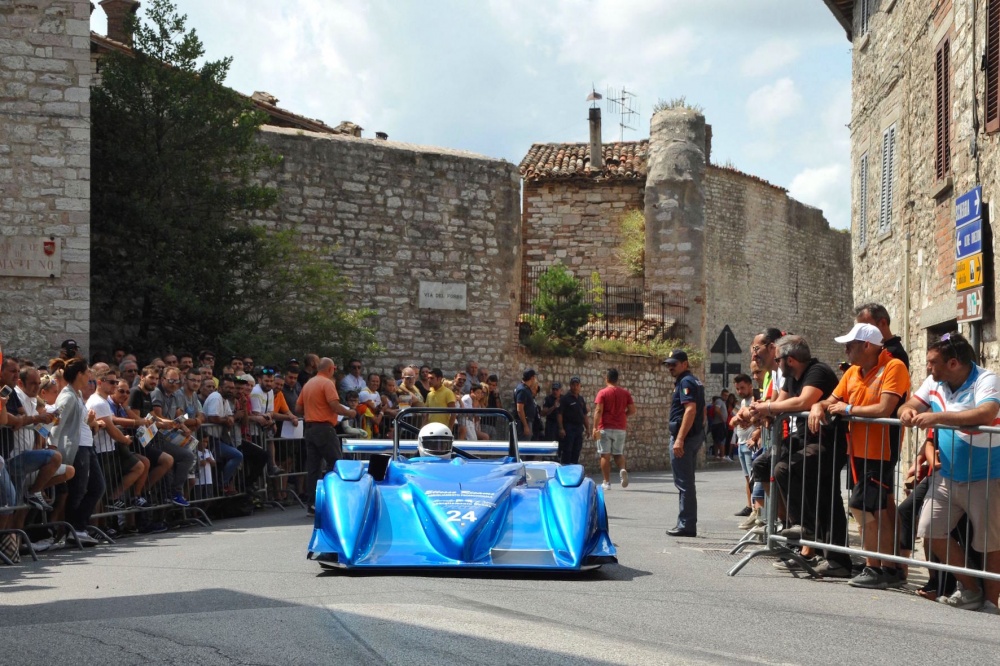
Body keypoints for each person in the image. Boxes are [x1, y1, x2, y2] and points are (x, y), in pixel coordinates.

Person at [899, 333, 1000, 610]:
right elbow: (909, 404)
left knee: (990, 542)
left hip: (987, 475)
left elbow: (986, 414)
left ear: (953, 363)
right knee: (930, 530)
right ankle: (970, 589)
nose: (928, 368)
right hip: (946, 477)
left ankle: (991, 602)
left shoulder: (985, 379)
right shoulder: (934, 382)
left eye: (932, 362)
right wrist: (906, 412)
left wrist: (938, 417)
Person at [809, 323, 910, 589]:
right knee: (873, 509)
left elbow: (885, 408)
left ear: (868, 345)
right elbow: (832, 399)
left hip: (881, 451)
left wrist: (848, 408)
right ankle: (886, 567)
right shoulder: (852, 371)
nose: (846, 350)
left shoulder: (894, 367)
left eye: (850, 345)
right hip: (858, 452)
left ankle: (876, 567)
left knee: (861, 507)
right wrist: (819, 407)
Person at [50, 358, 103, 546]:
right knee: (78, 490)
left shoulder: (77, 395)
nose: (90, 376)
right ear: (79, 374)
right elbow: (57, 423)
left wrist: (89, 423)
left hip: (87, 446)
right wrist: (53, 446)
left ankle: (78, 527)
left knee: (97, 486)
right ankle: (74, 529)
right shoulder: (68, 396)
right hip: (77, 449)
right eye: (87, 372)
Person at [296, 358, 356, 514]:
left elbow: (298, 408)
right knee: (336, 463)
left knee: (313, 468)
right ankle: (333, 498)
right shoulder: (327, 383)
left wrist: (312, 411)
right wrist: (350, 412)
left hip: (309, 428)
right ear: (330, 369)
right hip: (324, 428)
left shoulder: (308, 383)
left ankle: (313, 504)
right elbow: (335, 405)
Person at [663, 352, 702, 536]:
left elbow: (690, 410)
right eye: (668, 364)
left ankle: (686, 525)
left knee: (684, 483)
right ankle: (686, 523)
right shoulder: (691, 380)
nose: (670, 367)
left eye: (674, 364)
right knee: (686, 482)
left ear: (685, 363)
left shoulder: (686, 382)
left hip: (685, 438)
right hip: (691, 436)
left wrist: (679, 438)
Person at [592, 368, 635, 492]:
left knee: (605, 455)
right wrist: (623, 416)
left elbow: (598, 410)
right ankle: (622, 469)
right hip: (620, 428)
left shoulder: (603, 393)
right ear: (617, 379)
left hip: (605, 427)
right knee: (618, 453)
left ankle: (606, 482)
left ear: (607, 378)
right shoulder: (625, 393)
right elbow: (632, 410)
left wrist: (594, 427)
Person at [557, 377, 590, 465]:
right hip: (568, 428)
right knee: (567, 451)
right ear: (570, 386)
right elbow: (559, 414)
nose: (575, 387)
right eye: (573, 385)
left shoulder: (581, 399)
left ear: (580, 386)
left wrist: (587, 428)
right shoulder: (565, 399)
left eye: (577, 385)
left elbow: (584, 415)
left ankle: (574, 470)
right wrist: (561, 428)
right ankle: (565, 470)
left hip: (579, 429)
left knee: (576, 450)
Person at [514, 369, 540, 441]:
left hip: (526, 422)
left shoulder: (525, 389)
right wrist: (525, 426)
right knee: (523, 446)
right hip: (523, 423)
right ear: (532, 378)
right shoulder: (522, 390)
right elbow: (520, 408)